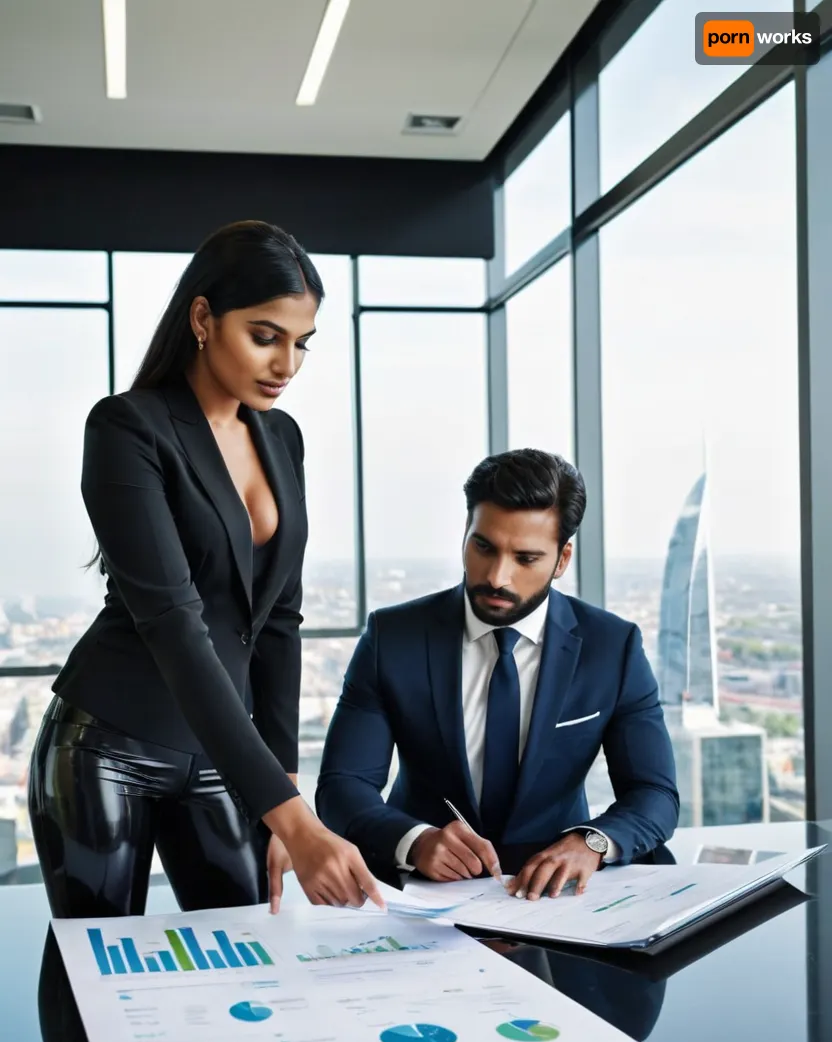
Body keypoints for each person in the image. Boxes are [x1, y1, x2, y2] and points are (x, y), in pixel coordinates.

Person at [28, 219, 382, 925]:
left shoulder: (281, 437)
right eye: (264, 335)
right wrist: (294, 822)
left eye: (301, 343)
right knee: (99, 972)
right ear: (202, 318)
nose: (287, 364)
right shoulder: (127, 428)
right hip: (109, 748)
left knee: (249, 955)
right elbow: (174, 626)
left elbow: (279, 618)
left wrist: (282, 779)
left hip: (224, 755)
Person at [316, 449, 679, 897]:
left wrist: (592, 843)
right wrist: (414, 841)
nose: (497, 577)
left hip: (559, 899)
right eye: (483, 547)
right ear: (465, 535)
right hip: (424, 895)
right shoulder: (393, 637)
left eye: (526, 559)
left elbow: (654, 793)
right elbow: (342, 786)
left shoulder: (612, 647)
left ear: (562, 559)